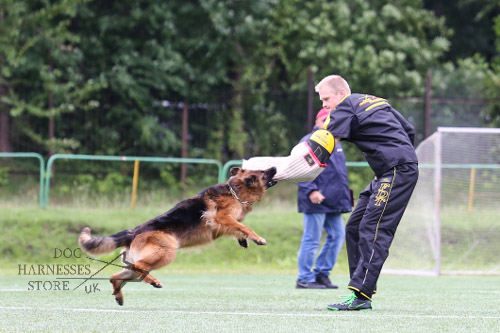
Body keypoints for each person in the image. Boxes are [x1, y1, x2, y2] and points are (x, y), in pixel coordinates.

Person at [315, 75, 419, 311]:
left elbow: (328, 140)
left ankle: (362, 295)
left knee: (372, 228)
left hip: (395, 171)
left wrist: (290, 169)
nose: (323, 105)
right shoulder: (374, 101)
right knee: (354, 226)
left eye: (325, 99)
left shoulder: (345, 106)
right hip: (391, 171)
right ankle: (358, 288)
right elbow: (409, 130)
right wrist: (397, 156)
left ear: (340, 94)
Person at [296, 108, 352, 289]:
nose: (329, 123)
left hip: (334, 200)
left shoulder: (335, 141)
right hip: (316, 198)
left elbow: (338, 173)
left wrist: (345, 198)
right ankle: (304, 278)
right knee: (312, 238)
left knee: (337, 236)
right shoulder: (310, 142)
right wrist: (310, 190)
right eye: (326, 119)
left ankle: (322, 274)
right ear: (318, 122)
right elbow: (299, 169)